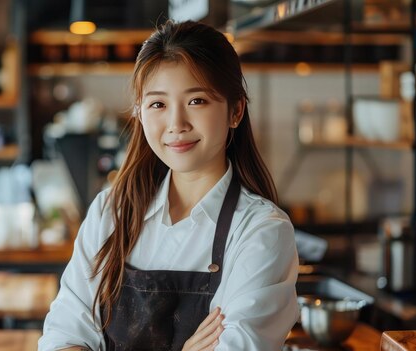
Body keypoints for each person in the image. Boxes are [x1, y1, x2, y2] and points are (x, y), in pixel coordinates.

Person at [38, 20, 299, 351]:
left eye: (197, 101)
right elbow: (63, 338)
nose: (176, 124)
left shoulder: (261, 232)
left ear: (235, 110)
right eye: (158, 104)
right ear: (140, 113)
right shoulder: (112, 212)